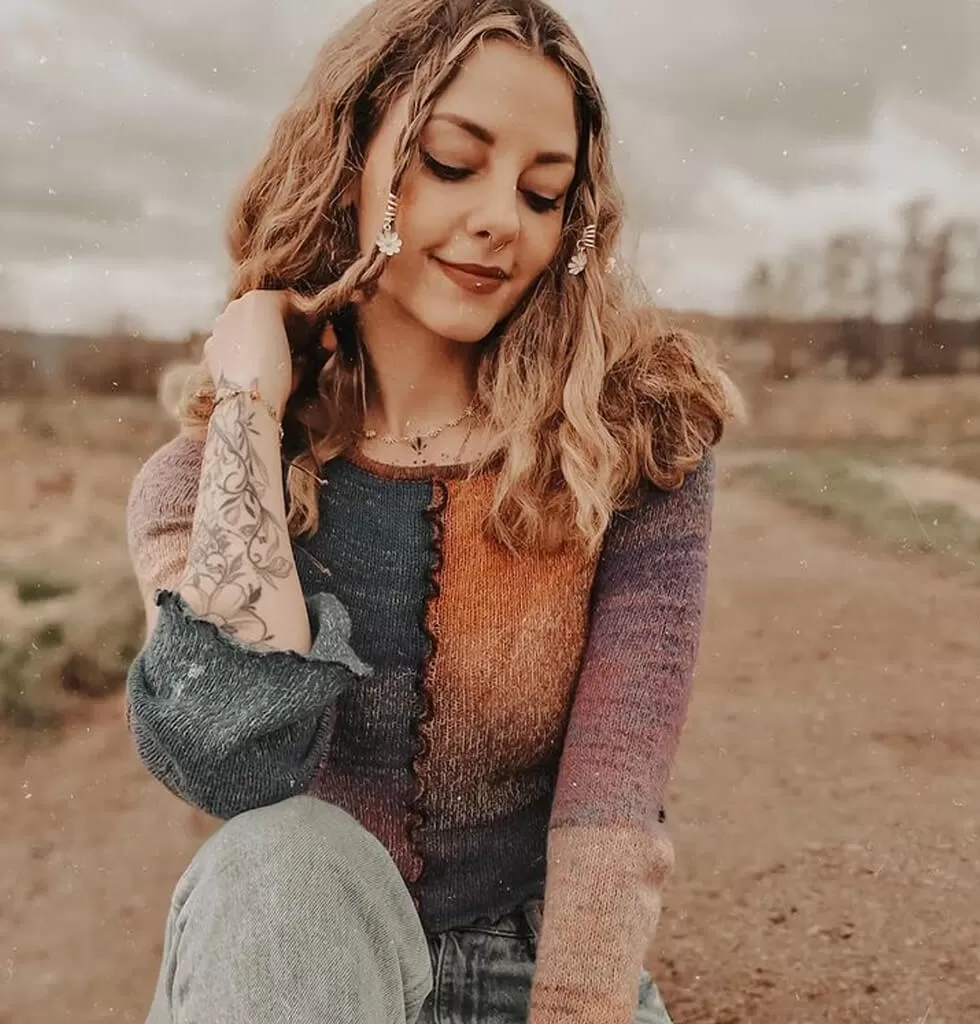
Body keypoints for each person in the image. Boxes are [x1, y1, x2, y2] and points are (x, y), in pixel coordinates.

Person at [124, 0, 739, 1021]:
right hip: (305, 965)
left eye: (544, 191)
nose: (504, 216)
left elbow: (614, 794)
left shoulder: (630, 440)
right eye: (455, 162)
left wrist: (576, 1006)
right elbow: (232, 752)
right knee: (285, 849)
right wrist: (248, 407)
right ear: (347, 160)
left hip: (531, 959)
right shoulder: (204, 480)